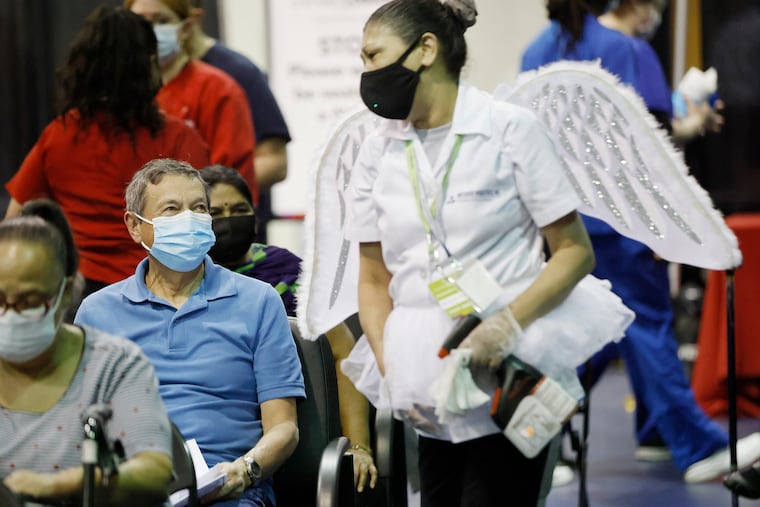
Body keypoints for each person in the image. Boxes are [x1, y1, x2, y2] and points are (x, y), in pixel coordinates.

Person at [346, 1, 634, 505]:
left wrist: (504, 328)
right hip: (424, 369)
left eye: (374, 55)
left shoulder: (509, 129)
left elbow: (573, 252)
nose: (366, 72)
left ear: (425, 51)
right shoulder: (377, 150)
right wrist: (394, 372)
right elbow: (372, 277)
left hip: (510, 359)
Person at [521, 0, 760, 484]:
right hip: (621, 222)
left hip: (564, 220)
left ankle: (550, 436)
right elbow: (648, 150)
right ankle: (696, 445)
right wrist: (663, 226)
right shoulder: (626, 50)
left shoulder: (535, 51)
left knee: (589, 336)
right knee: (647, 327)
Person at [75, 158, 305, 507]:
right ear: (135, 226)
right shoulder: (97, 312)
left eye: (199, 208)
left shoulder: (259, 302)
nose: (190, 219)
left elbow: (284, 427)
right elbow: (79, 429)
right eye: (172, 209)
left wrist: (246, 470)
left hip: (231, 491)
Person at [4, 6, 210, 297]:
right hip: (156, 288)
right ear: (149, 64)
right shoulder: (177, 137)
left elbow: (15, 220)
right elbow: (202, 215)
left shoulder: (60, 134)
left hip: (77, 294)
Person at [199, 164, 378, 493]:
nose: (228, 219)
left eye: (239, 210)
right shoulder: (184, 285)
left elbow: (343, 351)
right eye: (215, 212)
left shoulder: (289, 272)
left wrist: (359, 446)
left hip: (291, 430)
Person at [0, 199, 172, 506]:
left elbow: (155, 473)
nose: (9, 314)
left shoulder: (114, 364)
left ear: (66, 293)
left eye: (29, 301)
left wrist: (66, 483)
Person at [125, 0, 258, 202]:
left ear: (186, 27)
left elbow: (230, 179)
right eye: (139, 21)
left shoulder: (218, 90)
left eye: (161, 20)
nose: (149, 30)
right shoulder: (118, 90)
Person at [188, 3, 292, 243]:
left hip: (231, 237)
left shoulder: (238, 74)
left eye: (158, 19)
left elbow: (275, 162)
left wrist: (203, 198)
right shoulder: (139, 80)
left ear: (190, 19)